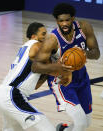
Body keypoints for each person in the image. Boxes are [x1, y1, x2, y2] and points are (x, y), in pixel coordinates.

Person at [31, 3, 100, 131]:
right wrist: (59, 67)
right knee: (80, 123)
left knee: (87, 122)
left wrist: (84, 53)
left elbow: (96, 53)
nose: (64, 24)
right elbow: (35, 66)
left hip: (81, 78)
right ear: (56, 21)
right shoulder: (52, 40)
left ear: (73, 18)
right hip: (62, 82)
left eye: (67, 20)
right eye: (61, 21)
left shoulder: (84, 28)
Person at [0, 22, 56, 131]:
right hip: (11, 95)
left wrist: (48, 70)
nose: (46, 37)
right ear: (33, 37)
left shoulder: (26, 48)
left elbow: (36, 85)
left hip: (2, 94)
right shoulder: (36, 44)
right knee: (46, 126)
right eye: (43, 34)